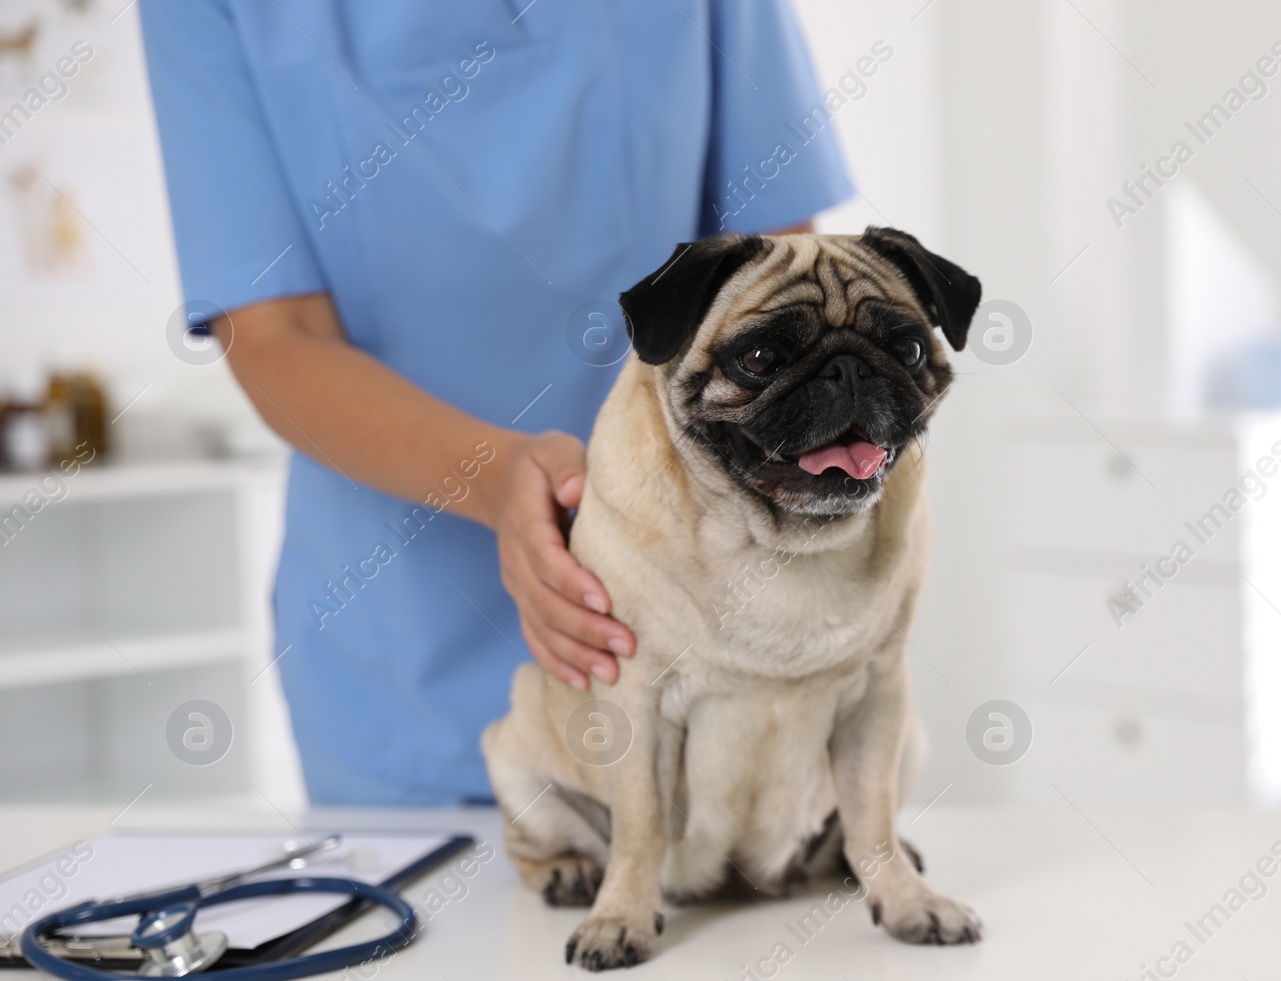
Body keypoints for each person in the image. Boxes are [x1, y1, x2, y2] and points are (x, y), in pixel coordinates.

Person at [140, 0, 851, 804]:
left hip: (704, 632)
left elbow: (780, 279)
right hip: (402, 668)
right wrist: (494, 477)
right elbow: (276, 334)